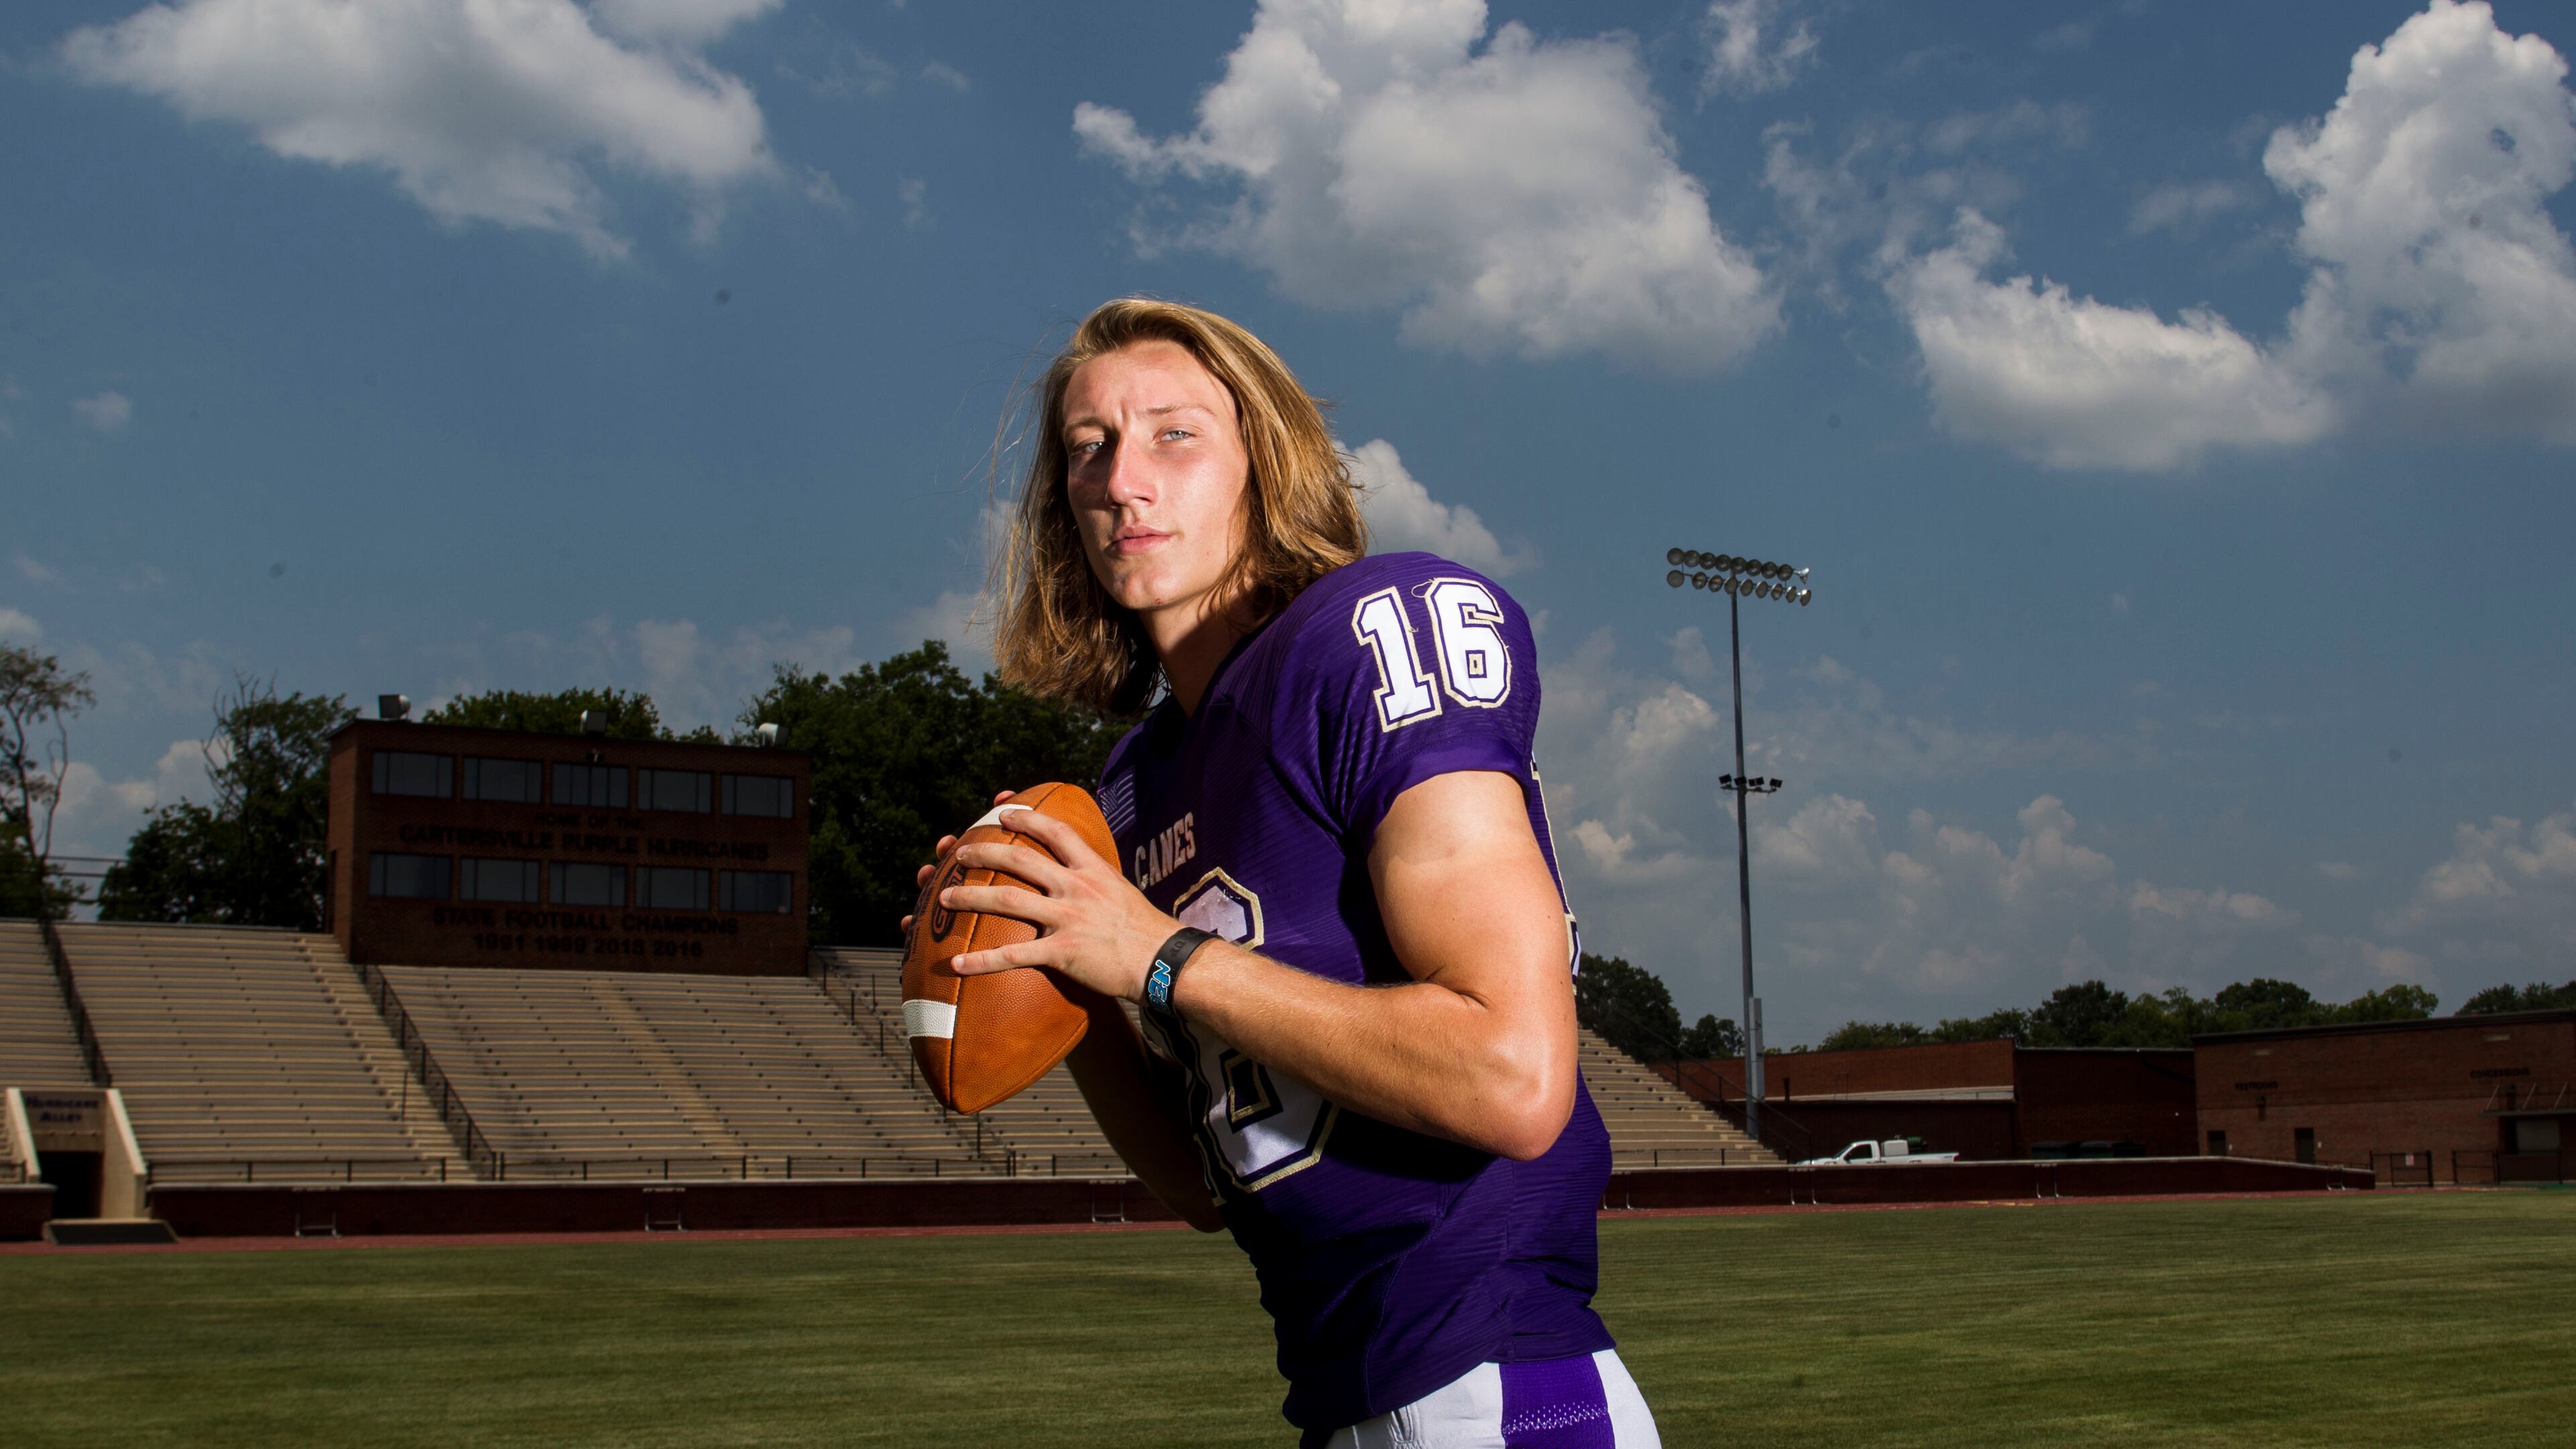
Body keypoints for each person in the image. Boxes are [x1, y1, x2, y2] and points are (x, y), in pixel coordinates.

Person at [908, 298, 1658, 1447]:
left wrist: (1153, 953)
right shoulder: (1133, 782)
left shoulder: (1376, 627)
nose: (1122, 480)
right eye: (1088, 447)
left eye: (1174, 434)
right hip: (1338, 1393)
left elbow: (1512, 1077)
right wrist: (1064, 967)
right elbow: (1204, 1190)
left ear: (1268, 463)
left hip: (1501, 1386)